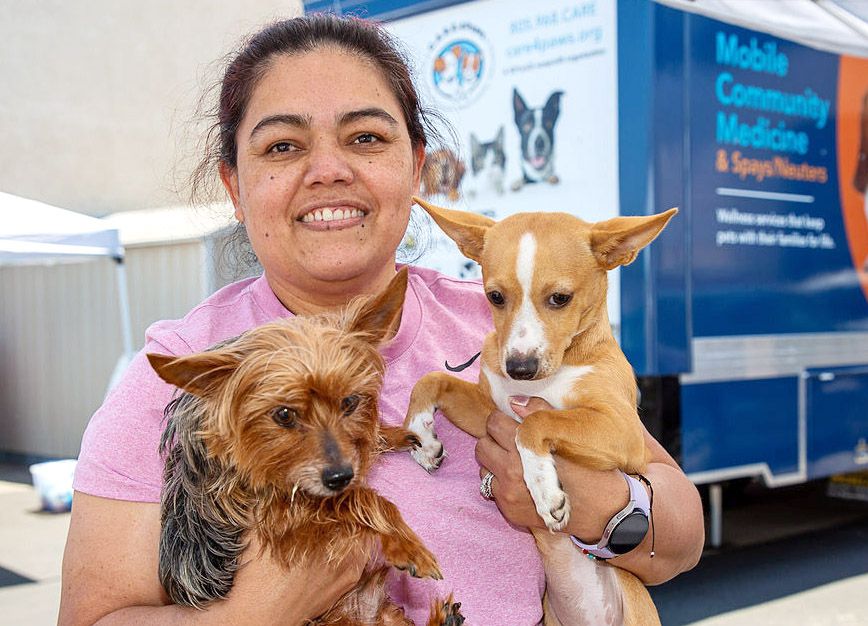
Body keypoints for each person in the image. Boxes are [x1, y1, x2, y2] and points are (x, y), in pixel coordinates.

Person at [59, 13, 704, 625]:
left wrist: (602, 506)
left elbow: (683, 537)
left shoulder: (507, 325)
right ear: (235, 185)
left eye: (366, 137)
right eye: (283, 146)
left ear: (416, 167)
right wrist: (251, 614)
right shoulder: (178, 374)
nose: (328, 171)